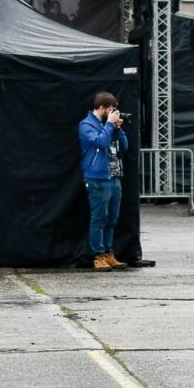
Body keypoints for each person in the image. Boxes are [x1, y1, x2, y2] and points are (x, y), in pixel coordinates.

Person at [79, 91, 129, 271]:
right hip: (97, 178)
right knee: (99, 218)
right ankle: (98, 256)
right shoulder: (86, 125)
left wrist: (118, 129)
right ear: (101, 107)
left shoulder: (108, 126)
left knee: (112, 219)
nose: (113, 113)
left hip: (114, 177)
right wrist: (109, 125)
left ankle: (108, 253)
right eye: (111, 110)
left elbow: (124, 147)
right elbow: (100, 143)